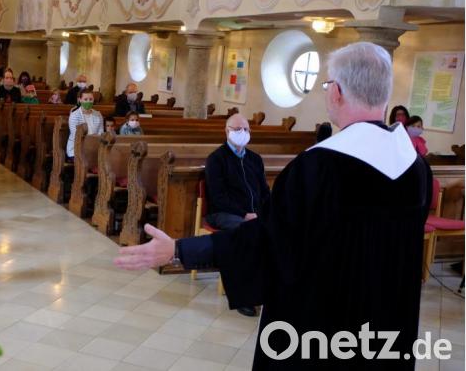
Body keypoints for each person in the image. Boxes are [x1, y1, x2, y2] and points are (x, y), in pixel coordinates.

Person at [114, 42, 432, 370]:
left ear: (337, 92)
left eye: (327, 86)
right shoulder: (415, 168)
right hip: (385, 329)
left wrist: (179, 250)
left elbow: (267, 241)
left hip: (320, 331)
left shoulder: (318, 167)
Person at [204, 113, 270, 317]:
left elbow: (264, 192)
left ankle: (269, 288)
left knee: (276, 229)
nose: (243, 133)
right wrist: (245, 214)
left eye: (246, 129)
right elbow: (218, 197)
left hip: (253, 214)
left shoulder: (255, 159)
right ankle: (243, 296)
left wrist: (266, 212)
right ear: (227, 131)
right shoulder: (217, 159)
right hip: (223, 213)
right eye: (238, 129)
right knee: (246, 233)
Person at [66, 88, 103, 159]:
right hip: (76, 148)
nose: (88, 101)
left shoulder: (98, 115)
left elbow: (100, 133)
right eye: (85, 99)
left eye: (91, 99)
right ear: (80, 100)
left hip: (94, 147)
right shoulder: (74, 115)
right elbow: (76, 136)